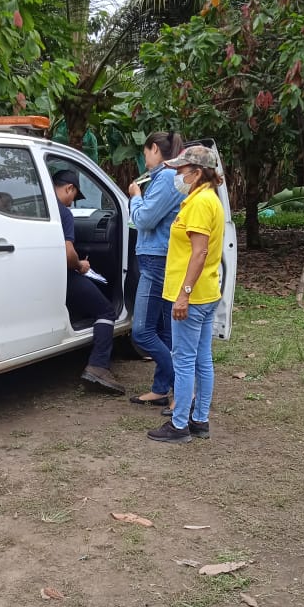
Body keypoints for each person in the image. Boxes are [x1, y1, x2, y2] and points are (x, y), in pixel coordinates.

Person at [147, 144, 225, 444]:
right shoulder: (208, 199)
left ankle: (179, 424)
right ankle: (199, 420)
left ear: (198, 172)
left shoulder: (199, 203)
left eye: (181, 170)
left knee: (184, 361)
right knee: (202, 358)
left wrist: (184, 295)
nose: (177, 175)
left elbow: (199, 252)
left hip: (192, 296)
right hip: (206, 293)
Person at [52, 168, 125, 395]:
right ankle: (98, 366)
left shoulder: (38, 208)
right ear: (69, 188)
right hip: (63, 276)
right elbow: (68, 254)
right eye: (74, 196)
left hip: (40, 276)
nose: (72, 202)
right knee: (106, 311)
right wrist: (80, 265)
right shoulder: (63, 213)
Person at [127, 131, 184, 407]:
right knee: (165, 332)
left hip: (156, 260)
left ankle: (183, 385)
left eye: (145, 152)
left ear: (155, 149)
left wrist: (135, 197)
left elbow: (144, 219)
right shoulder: (167, 177)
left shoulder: (166, 178)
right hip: (161, 257)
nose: (144, 158)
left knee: (142, 332)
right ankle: (162, 389)